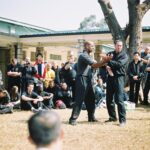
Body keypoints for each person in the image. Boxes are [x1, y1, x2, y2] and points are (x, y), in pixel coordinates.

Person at [69, 41, 111, 125]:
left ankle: (91, 117)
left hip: (88, 79)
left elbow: (96, 65)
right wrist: (104, 61)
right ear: (86, 46)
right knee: (79, 99)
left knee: (91, 99)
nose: (93, 47)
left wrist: (105, 61)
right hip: (82, 79)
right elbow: (94, 65)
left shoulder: (89, 56)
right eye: (92, 46)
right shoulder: (83, 55)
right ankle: (73, 119)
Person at [105, 40, 128, 126]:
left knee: (119, 99)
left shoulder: (124, 55)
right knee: (109, 99)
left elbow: (119, 64)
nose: (119, 47)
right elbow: (104, 63)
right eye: (118, 45)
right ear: (114, 45)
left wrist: (108, 61)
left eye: (121, 46)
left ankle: (122, 120)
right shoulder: (110, 53)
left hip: (119, 78)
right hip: (110, 77)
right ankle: (112, 117)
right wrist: (107, 67)